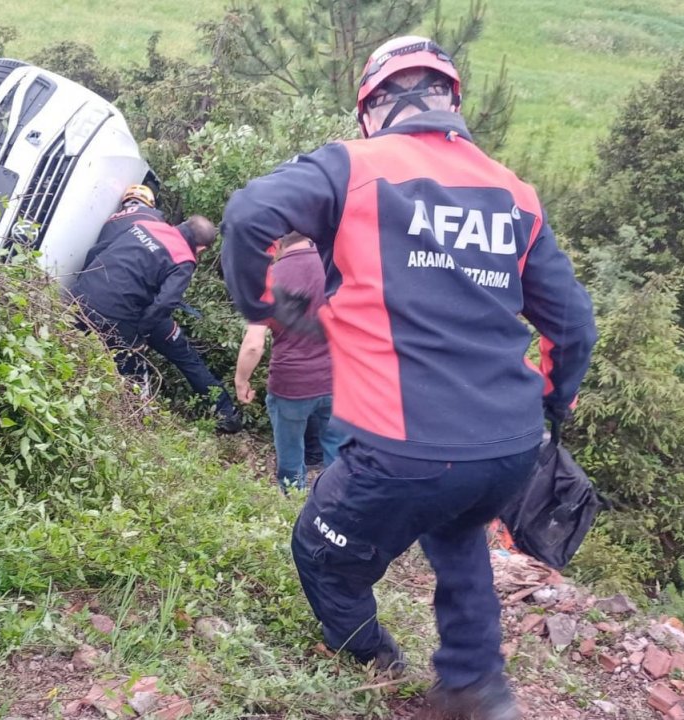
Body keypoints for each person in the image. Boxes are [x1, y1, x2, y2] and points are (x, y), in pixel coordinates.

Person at [219, 35, 597, 719]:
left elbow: (248, 215)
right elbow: (574, 326)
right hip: (506, 447)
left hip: (405, 446)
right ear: (453, 102)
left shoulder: (353, 167)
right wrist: (553, 399)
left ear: (370, 110)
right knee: (457, 532)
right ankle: (476, 685)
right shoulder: (515, 192)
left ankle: (378, 667)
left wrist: (262, 306)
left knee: (322, 553)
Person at [74, 187, 243, 433]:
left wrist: (86, 287)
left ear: (181, 224)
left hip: (81, 298)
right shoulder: (184, 258)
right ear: (202, 249)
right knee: (181, 358)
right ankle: (224, 415)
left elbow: (97, 252)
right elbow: (164, 304)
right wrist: (138, 337)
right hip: (123, 315)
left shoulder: (146, 225)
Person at [234, 232, 344, 492]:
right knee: (336, 454)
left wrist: (241, 381)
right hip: (337, 381)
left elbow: (253, 344)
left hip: (291, 387)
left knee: (291, 456)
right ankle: (332, 506)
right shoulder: (337, 264)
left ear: (278, 242)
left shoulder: (269, 279)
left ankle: (293, 509)